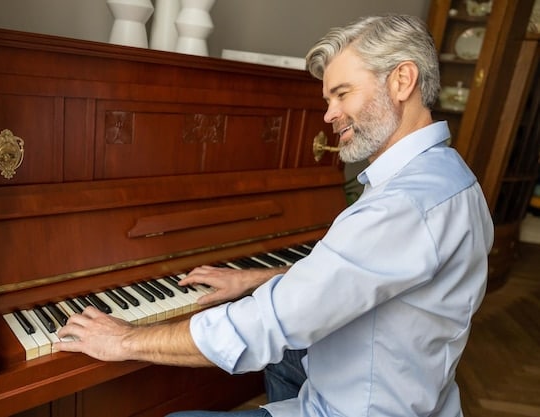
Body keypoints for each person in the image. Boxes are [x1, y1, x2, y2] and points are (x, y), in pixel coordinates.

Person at [55, 14, 494, 417]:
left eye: (342, 94)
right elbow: (354, 276)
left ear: (402, 80)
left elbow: (265, 325)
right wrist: (253, 279)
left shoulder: (404, 205)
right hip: (412, 394)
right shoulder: (449, 177)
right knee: (290, 356)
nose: (328, 115)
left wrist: (125, 339)